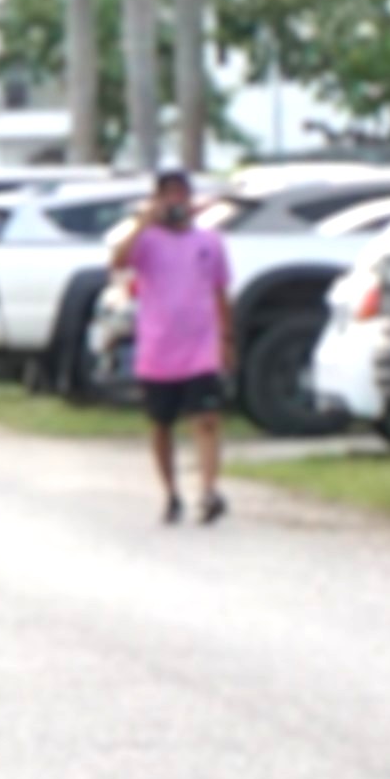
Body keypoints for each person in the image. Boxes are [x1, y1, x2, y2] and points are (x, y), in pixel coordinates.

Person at [117, 170, 233, 524]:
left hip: (200, 344)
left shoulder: (208, 242)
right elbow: (118, 263)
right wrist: (142, 222)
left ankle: (209, 490)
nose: (175, 202)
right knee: (161, 424)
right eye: (167, 195)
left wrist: (227, 339)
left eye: (180, 194)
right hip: (158, 349)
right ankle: (171, 493)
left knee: (207, 419)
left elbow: (220, 290)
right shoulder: (147, 241)